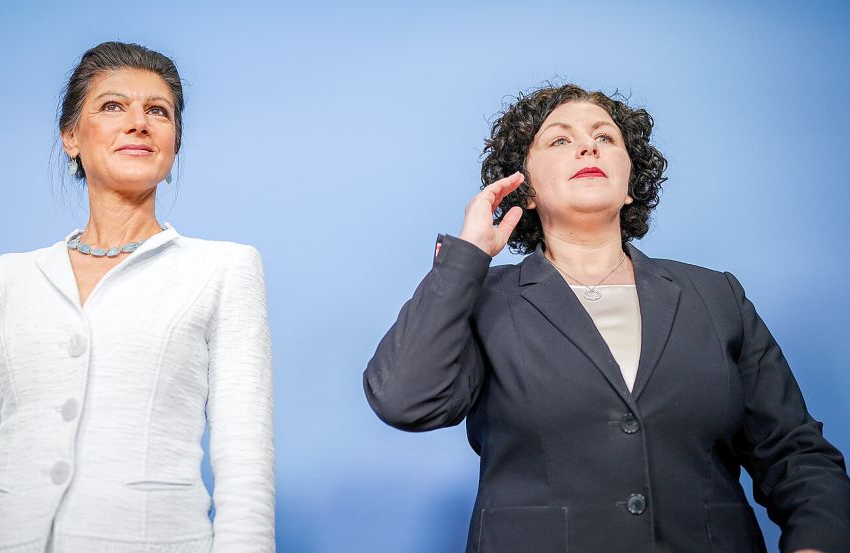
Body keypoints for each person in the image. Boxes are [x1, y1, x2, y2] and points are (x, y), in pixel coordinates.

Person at [363, 84, 850, 553]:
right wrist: (467, 255)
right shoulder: (485, 297)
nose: (587, 149)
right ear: (525, 191)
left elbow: (795, 453)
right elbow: (404, 401)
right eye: (560, 139)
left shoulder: (716, 296)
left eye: (605, 138)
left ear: (631, 187)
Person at [0, 42, 274, 553]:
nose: (138, 123)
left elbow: (246, 468)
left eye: (157, 111)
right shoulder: (1, 279)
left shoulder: (223, 269)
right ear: (71, 136)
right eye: (112, 106)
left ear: (174, 142)